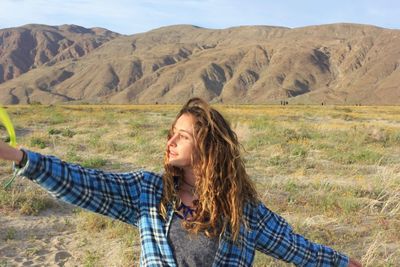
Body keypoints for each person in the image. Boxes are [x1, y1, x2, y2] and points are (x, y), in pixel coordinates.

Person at [0, 98, 362, 266]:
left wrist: (345, 263)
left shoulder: (244, 213)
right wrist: (19, 158)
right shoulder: (147, 193)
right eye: (171, 133)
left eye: (182, 136)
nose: (170, 141)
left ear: (208, 146)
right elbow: (85, 182)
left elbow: (295, 248)